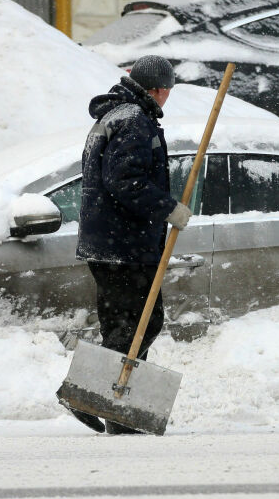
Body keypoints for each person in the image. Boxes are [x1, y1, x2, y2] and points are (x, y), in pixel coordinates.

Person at [70, 55, 192, 434]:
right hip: (124, 244)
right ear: (158, 89)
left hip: (106, 240)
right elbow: (125, 181)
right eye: (168, 90)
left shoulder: (115, 116)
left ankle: (116, 410)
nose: (168, 97)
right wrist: (168, 207)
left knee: (122, 325)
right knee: (141, 321)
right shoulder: (134, 122)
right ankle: (90, 394)